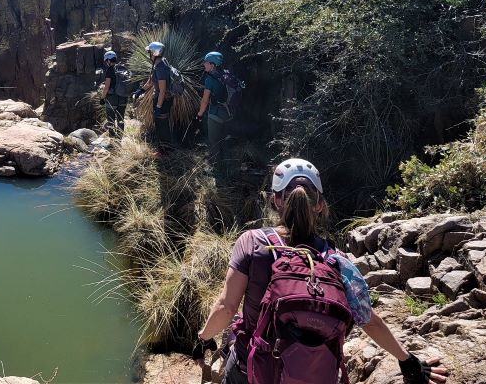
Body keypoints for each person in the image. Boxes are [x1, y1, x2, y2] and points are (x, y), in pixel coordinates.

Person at [194, 158, 449, 384]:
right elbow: (367, 318)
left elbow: (226, 308)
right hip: (313, 372)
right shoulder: (335, 259)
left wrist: (204, 338)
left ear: (276, 199)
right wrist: (406, 360)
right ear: (319, 205)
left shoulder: (253, 242)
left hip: (252, 370)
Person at [195, 51, 233, 177]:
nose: (204, 64)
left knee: (214, 142)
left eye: (206, 62)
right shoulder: (227, 74)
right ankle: (227, 167)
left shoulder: (210, 79)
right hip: (228, 114)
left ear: (213, 65)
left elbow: (205, 100)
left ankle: (216, 170)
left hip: (215, 115)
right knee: (224, 141)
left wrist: (200, 114)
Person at [132, 41, 172, 153]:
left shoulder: (161, 68)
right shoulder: (159, 64)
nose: (148, 54)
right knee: (160, 124)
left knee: (162, 125)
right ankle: (163, 149)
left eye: (149, 52)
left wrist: (159, 107)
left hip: (163, 101)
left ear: (154, 53)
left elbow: (163, 90)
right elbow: (150, 82)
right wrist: (141, 90)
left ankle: (165, 151)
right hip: (160, 99)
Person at [99, 50, 127, 137]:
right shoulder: (122, 68)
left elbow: (107, 87)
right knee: (120, 118)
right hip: (123, 97)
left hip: (112, 99)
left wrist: (102, 98)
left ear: (108, 60)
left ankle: (112, 139)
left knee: (111, 119)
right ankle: (120, 137)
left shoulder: (110, 70)